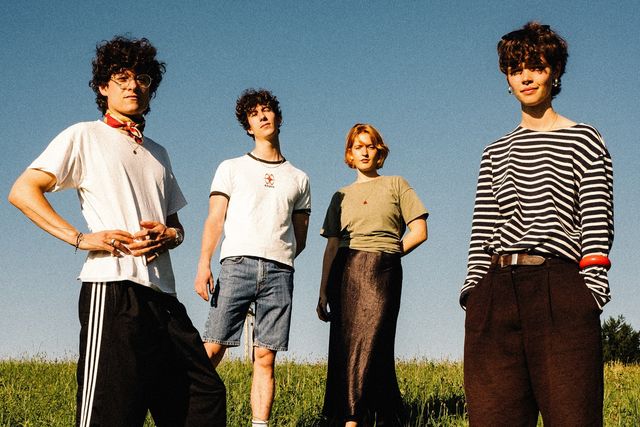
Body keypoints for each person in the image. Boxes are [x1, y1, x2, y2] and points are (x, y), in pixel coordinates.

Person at [8, 36, 226, 426]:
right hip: (112, 289)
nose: (132, 85)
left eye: (142, 78)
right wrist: (80, 238)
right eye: (121, 77)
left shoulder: (158, 153)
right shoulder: (84, 136)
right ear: (103, 86)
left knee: (203, 396)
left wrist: (170, 235)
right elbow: (23, 191)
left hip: (164, 297)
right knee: (111, 412)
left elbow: (176, 226)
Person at [461, 22, 614, 426]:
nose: (526, 77)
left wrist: (591, 294)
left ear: (555, 71)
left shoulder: (584, 139)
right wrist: (473, 294)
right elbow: (482, 228)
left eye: (536, 67)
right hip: (494, 294)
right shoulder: (495, 151)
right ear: (507, 79)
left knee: (573, 418)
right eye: (516, 69)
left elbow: (597, 221)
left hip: (559, 288)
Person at [194, 88, 311, 427]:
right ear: (248, 126)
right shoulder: (231, 168)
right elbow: (215, 220)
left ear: (278, 117)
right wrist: (204, 264)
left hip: (280, 271)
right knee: (212, 348)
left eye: (267, 110)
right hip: (236, 266)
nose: (262, 116)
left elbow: (300, 236)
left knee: (265, 356)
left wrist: (279, 255)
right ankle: (184, 415)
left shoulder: (299, 178)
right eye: (254, 114)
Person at [317, 123, 428, 427]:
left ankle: (358, 416)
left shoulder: (396, 184)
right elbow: (331, 246)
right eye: (358, 147)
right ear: (349, 155)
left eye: (370, 146)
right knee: (345, 345)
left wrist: (390, 253)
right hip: (345, 270)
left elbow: (419, 231)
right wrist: (323, 291)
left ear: (379, 152)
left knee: (374, 341)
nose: (364, 152)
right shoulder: (340, 195)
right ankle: (360, 416)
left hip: (383, 269)